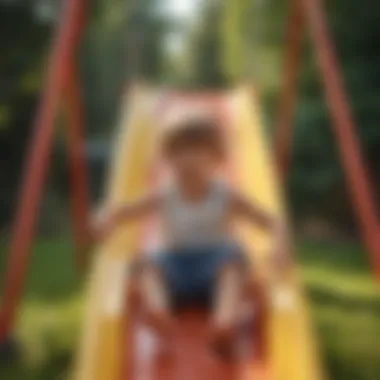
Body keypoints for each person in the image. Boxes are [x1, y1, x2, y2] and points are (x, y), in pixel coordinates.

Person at [92, 113, 287, 354]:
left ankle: (224, 322)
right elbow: (122, 211)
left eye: (197, 151)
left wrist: (279, 246)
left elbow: (272, 221)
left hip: (214, 272)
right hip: (176, 270)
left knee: (233, 261)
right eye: (178, 153)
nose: (187, 160)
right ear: (168, 159)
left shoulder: (225, 195)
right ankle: (159, 312)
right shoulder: (165, 195)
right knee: (144, 265)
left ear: (218, 159)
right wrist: (104, 217)